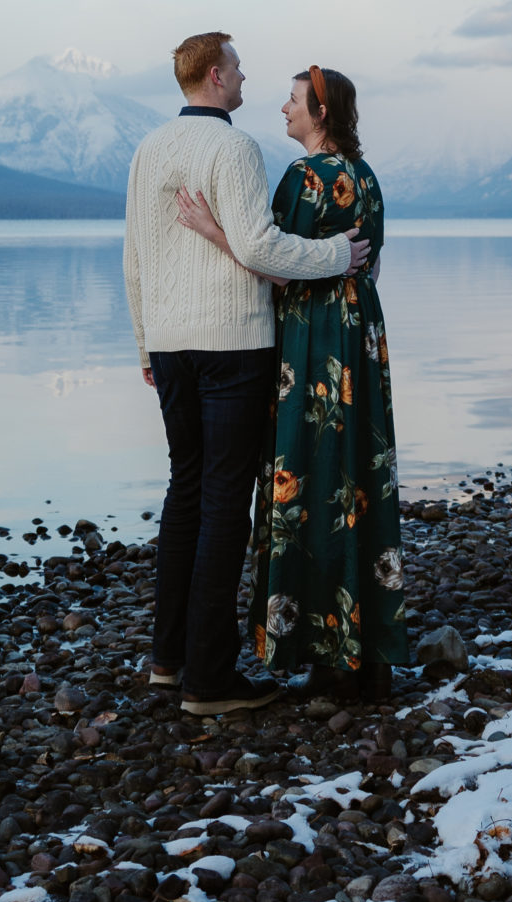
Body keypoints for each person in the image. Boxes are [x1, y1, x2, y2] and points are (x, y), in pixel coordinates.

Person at [123, 30, 371, 717]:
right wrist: (336, 259)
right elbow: (259, 245)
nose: (243, 79)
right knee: (225, 505)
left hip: (172, 344)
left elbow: (135, 257)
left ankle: (167, 661)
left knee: (187, 493)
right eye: (235, 68)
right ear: (211, 75)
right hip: (231, 343)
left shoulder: (149, 150)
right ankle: (210, 680)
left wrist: (146, 346)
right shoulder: (232, 148)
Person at [175, 62, 408, 701]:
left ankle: (322, 647)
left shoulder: (305, 178)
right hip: (361, 337)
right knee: (357, 471)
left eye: (294, 100)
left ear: (321, 113)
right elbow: (371, 264)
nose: (283, 108)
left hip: (312, 343)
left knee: (307, 475)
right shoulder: (366, 178)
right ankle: (367, 655)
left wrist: (210, 230)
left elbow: (272, 264)